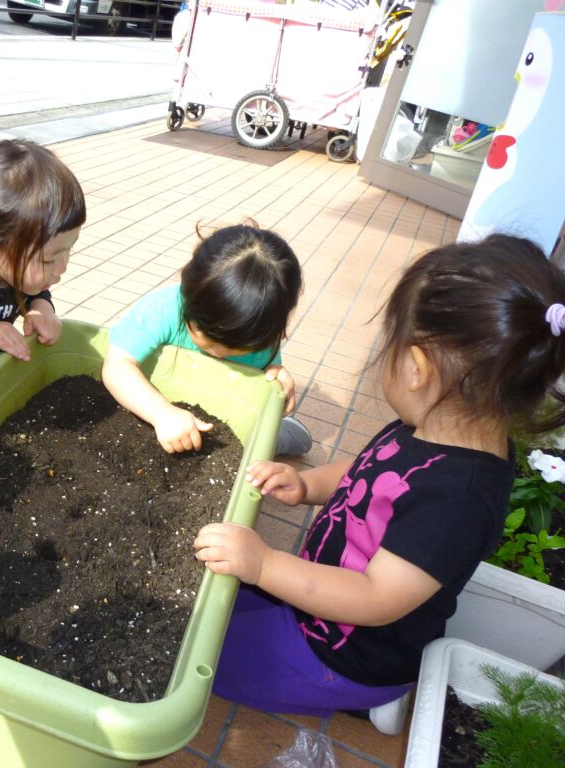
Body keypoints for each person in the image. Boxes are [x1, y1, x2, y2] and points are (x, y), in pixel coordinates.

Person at [194, 234, 565, 717]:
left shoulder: (460, 500)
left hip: (344, 655)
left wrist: (264, 565)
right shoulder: (437, 422)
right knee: (210, 607)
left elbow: (376, 598)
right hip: (317, 604)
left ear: (416, 368)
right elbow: (370, 469)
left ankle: (363, 701)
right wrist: (309, 486)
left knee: (202, 657)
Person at [101, 223, 312, 456]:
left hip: (219, 418)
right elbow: (117, 366)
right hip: (153, 405)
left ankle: (275, 437)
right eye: (208, 338)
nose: (219, 353)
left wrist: (275, 381)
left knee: (258, 443)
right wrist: (161, 413)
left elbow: (258, 386)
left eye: (237, 348)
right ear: (188, 295)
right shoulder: (162, 310)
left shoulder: (259, 333)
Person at [0, 138, 86, 377]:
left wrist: (41, 308)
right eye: (48, 260)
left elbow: (36, 291)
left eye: (69, 249)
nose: (63, 267)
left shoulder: (17, 272)